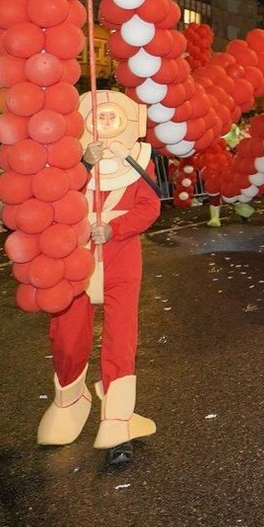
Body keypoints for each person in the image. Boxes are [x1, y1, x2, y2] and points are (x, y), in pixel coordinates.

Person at [36, 90, 160, 467]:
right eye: (98, 117)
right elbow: (51, 197)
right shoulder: (67, 159)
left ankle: (118, 417)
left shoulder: (140, 159)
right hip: (74, 260)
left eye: (112, 117)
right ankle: (70, 398)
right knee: (67, 336)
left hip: (121, 259)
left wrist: (116, 228)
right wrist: (83, 167)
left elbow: (150, 205)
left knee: (121, 339)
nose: (104, 125)